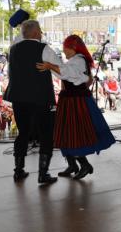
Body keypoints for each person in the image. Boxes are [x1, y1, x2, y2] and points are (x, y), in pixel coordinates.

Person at [37, 35, 115, 179]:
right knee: (66, 134)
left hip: (75, 102)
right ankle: (73, 164)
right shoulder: (77, 60)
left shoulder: (78, 60)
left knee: (73, 134)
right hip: (71, 100)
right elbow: (83, 78)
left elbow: (68, 74)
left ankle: (84, 165)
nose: (64, 50)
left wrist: (50, 66)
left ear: (73, 48)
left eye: (65, 48)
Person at [4, 20, 61, 184]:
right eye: (40, 31)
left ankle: (18, 170)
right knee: (46, 134)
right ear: (37, 32)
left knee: (23, 133)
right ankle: (43, 174)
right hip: (40, 98)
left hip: (19, 97)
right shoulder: (45, 49)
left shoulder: (13, 49)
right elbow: (61, 70)